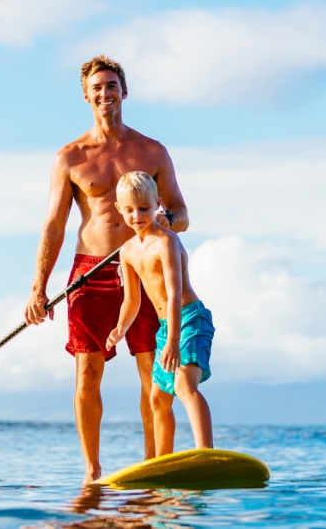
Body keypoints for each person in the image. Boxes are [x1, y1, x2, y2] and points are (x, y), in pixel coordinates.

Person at [24, 55, 190, 484]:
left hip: (144, 267)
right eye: (97, 87)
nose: (105, 93)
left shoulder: (152, 151)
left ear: (124, 92)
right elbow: (54, 225)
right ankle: (93, 471)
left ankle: (155, 465)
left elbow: (181, 212)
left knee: (152, 368)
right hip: (89, 272)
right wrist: (38, 288)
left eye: (112, 85)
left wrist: (160, 223)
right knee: (88, 371)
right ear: (86, 96)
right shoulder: (71, 157)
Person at [106, 172, 214, 456]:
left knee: (183, 385)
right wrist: (120, 328)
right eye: (129, 209)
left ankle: (205, 453)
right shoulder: (127, 251)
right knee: (157, 399)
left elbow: (175, 293)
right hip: (167, 327)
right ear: (119, 209)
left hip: (189, 319)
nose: (137, 215)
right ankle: (162, 462)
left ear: (158, 204)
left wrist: (173, 341)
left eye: (144, 208)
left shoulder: (166, 242)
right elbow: (132, 300)